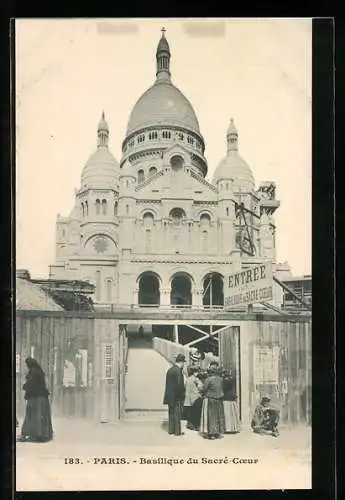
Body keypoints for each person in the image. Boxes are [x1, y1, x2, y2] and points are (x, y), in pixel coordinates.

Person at [19, 357, 53, 442]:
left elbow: (31, 384)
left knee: (33, 416)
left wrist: (25, 386)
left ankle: (35, 435)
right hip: (41, 398)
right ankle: (42, 434)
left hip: (36, 398)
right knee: (39, 416)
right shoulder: (38, 371)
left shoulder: (34, 372)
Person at [200, 362, 226, 439]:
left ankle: (212, 434)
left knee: (212, 417)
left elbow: (204, 389)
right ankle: (218, 432)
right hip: (219, 399)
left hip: (211, 399)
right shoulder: (220, 379)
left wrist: (200, 389)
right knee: (219, 415)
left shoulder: (208, 379)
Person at [163, 353, 186, 436]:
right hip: (177, 396)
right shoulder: (178, 371)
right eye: (184, 363)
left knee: (171, 413)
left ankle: (171, 430)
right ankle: (177, 432)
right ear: (181, 362)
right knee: (177, 414)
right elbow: (179, 385)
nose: (184, 365)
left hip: (169, 395)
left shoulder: (170, 370)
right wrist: (182, 395)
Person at [222, 369, 241, 433]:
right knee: (232, 414)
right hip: (231, 398)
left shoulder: (224, 381)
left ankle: (228, 428)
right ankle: (234, 427)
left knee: (227, 414)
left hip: (226, 399)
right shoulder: (232, 380)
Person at [184, 367, 203, 431]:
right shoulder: (196, 379)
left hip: (188, 398)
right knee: (197, 412)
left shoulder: (187, 379)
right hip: (195, 397)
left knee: (190, 412)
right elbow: (201, 387)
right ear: (194, 372)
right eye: (196, 372)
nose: (197, 373)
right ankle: (196, 426)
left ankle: (190, 424)